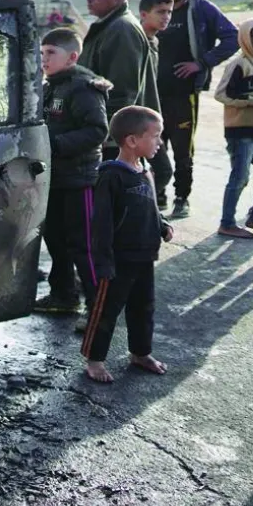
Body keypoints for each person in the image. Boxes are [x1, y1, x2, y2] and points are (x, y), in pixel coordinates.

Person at [80, 106, 174, 384]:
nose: (159, 142)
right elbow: (101, 225)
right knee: (106, 311)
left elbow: (150, 207)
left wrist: (162, 224)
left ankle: (140, 352)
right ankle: (94, 359)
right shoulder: (112, 176)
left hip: (145, 256)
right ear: (132, 140)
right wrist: (103, 262)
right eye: (155, 136)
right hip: (118, 260)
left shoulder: (145, 171)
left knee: (144, 308)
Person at [150, 0, 239, 220]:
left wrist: (201, 63)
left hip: (184, 92)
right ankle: (158, 195)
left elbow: (232, 36)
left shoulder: (200, 8)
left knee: (182, 148)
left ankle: (182, 197)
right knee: (154, 144)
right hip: (155, 91)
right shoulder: (156, 5)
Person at [34, 28, 111, 316]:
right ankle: (63, 294)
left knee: (84, 247)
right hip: (54, 179)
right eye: (42, 53)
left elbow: (97, 130)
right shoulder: (51, 85)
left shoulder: (83, 86)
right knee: (55, 239)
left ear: (72, 57)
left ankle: (98, 307)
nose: (45, 59)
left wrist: (54, 145)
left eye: (52, 53)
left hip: (80, 180)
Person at [77, 0, 157, 155]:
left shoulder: (122, 29)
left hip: (114, 143)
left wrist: (101, 135)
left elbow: (122, 94)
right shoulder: (107, 26)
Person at [213, 19, 253, 239]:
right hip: (240, 131)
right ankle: (227, 223)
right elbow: (221, 94)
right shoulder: (238, 64)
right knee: (240, 177)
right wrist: (251, 101)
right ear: (243, 37)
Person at [136, 0, 174, 207]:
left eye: (169, 12)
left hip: (148, 117)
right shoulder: (137, 41)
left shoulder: (154, 42)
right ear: (143, 14)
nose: (166, 16)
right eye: (160, 12)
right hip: (138, 120)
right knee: (162, 170)